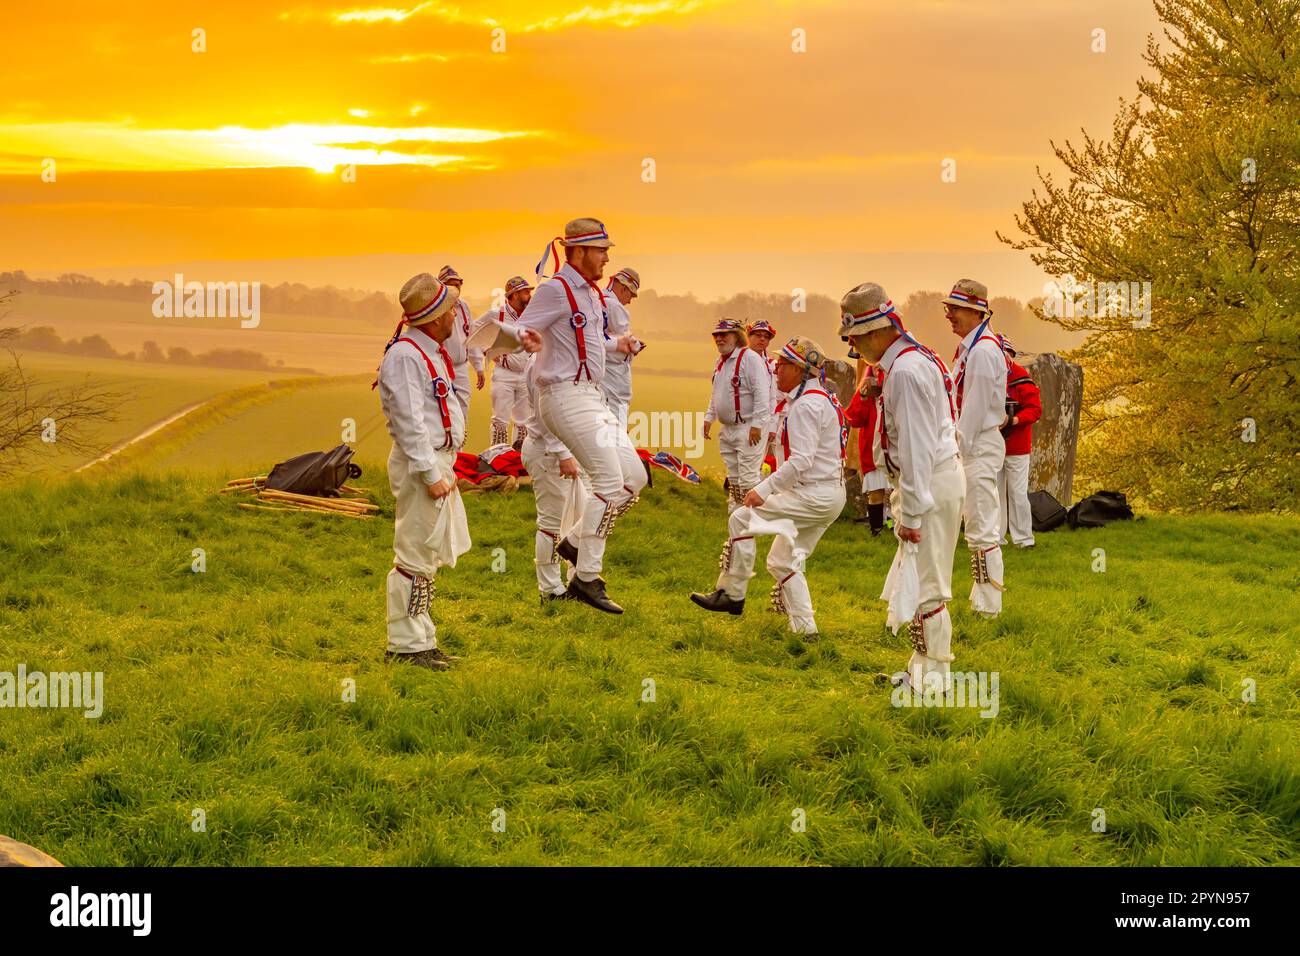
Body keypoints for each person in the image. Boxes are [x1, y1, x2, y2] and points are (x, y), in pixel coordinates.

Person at [509, 217, 646, 614]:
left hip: (593, 395)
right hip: (563, 395)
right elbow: (518, 335)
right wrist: (526, 341)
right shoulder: (554, 289)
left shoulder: (590, 294)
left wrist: (616, 343)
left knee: (633, 479)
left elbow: (586, 338)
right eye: (602, 250)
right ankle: (587, 577)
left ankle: (572, 541)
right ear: (579, 251)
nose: (607, 258)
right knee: (607, 479)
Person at [837, 282, 965, 689]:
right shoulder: (914, 358)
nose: (855, 349)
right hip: (936, 478)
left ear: (876, 331)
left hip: (929, 481)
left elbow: (915, 448)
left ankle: (933, 683)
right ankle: (920, 670)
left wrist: (910, 512)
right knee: (919, 577)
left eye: (856, 339)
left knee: (928, 585)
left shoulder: (905, 373)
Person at [690, 336, 847, 636]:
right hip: (827, 494)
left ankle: (732, 594)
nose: (775, 368)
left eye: (783, 363)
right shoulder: (816, 399)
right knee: (782, 560)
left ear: (802, 371)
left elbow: (800, 461)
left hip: (814, 494)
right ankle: (805, 630)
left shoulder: (806, 406)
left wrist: (763, 490)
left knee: (741, 518)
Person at [376, 273, 472, 671]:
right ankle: (404, 645)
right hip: (422, 463)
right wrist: (430, 473)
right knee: (413, 552)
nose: (456, 314)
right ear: (435, 317)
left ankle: (422, 639)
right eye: (451, 309)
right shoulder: (404, 356)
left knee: (426, 553)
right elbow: (408, 420)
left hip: (437, 460)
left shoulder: (427, 350)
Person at [944, 278, 1009, 618]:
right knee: (975, 525)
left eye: (954, 309)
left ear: (974, 311)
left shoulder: (983, 351)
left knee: (982, 525)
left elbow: (974, 408)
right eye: (948, 308)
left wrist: (955, 450)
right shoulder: (975, 347)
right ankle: (979, 599)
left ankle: (989, 607)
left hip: (978, 443)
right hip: (976, 443)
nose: (949, 315)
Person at [518, 361, 585, 603]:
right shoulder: (540, 364)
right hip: (549, 452)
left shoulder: (563, 359)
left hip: (569, 449)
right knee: (552, 522)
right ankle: (550, 589)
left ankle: (578, 581)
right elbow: (545, 415)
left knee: (578, 519)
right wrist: (562, 454)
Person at [703, 319, 771, 513]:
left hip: (748, 427)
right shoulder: (721, 363)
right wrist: (709, 418)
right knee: (733, 479)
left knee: (748, 478)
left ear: (738, 337)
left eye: (725, 334)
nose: (719, 339)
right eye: (717, 335)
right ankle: (736, 518)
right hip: (728, 429)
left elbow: (761, 393)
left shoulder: (750, 358)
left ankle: (750, 521)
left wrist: (757, 425)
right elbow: (716, 394)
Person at [997, 339, 1041, 549]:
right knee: (994, 493)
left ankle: (1024, 539)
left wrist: (1014, 420)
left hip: (1017, 447)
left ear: (1010, 354)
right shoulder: (987, 376)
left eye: (1004, 352)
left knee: (1017, 493)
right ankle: (995, 538)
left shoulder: (1022, 380)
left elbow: (1035, 410)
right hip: (993, 446)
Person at [482, 275, 535, 448]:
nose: (529, 295)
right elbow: (473, 331)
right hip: (504, 373)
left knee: (524, 421)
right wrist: (486, 350)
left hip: (527, 373)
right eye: (525, 292)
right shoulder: (497, 314)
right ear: (513, 295)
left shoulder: (533, 315)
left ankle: (519, 459)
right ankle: (498, 458)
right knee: (500, 421)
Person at [844, 362, 891, 535]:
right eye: (876, 368)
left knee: (895, 492)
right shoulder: (865, 388)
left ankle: (893, 527)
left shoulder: (896, 384)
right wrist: (863, 397)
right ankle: (876, 530)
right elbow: (855, 419)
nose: (879, 371)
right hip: (872, 449)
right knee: (875, 493)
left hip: (893, 448)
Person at [437, 265, 486, 421]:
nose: (457, 288)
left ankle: (458, 444)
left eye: (459, 285)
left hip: (461, 367)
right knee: (442, 407)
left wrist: (478, 367)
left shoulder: (464, 307)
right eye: (453, 285)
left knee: (463, 407)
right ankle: (443, 444)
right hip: (440, 366)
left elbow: (471, 337)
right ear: (442, 286)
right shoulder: (435, 308)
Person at [600, 267, 643, 429]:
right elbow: (627, 343)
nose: (630, 300)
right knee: (617, 436)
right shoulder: (616, 307)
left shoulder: (595, 299)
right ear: (623, 287)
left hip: (598, 375)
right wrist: (637, 346)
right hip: (614, 378)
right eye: (631, 294)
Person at [745, 320, 781, 455]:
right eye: (758, 335)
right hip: (740, 421)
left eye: (766, 337)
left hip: (762, 423)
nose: (762, 339)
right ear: (748, 336)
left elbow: (774, 397)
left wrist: (772, 425)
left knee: (756, 465)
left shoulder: (771, 365)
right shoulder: (738, 361)